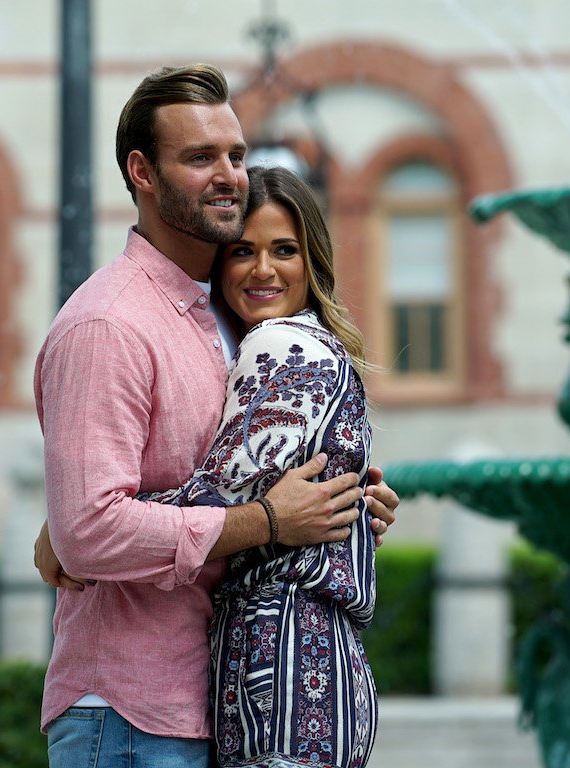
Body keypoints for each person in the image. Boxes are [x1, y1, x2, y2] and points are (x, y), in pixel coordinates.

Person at [33, 64, 397, 768]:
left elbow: (206, 477)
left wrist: (349, 496)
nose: (228, 174)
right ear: (142, 172)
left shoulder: (222, 323)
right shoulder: (108, 324)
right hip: (128, 716)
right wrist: (264, 521)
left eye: (235, 154)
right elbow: (93, 531)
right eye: (200, 158)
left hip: (203, 700)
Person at [136, 164, 378, 768]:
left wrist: (84, 526)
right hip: (311, 658)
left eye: (284, 251)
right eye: (243, 250)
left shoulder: (280, 347)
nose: (263, 269)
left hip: (284, 662)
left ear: (311, 262)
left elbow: (216, 497)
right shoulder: (310, 343)